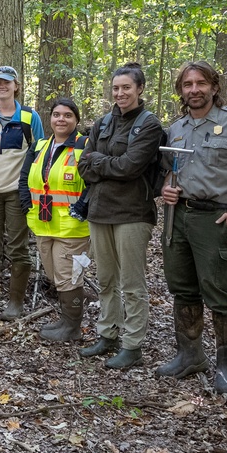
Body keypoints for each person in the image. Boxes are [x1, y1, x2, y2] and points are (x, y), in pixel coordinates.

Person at [157, 61, 227, 395]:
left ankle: (226, 367)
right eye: (187, 84)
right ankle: (190, 355)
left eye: (200, 83)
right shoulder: (175, 129)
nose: (194, 89)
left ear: (214, 86)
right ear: (181, 90)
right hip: (179, 218)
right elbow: (170, 171)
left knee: (218, 293)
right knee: (183, 288)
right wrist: (166, 187)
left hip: (216, 219)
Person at [77, 63, 163, 369]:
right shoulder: (101, 123)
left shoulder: (149, 125)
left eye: (126, 87)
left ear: (140, 89)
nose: (120, 93)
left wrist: (100, 162)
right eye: (116, 88)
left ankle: (132, 344)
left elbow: (131, 167)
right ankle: (107, 334)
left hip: (132, 213)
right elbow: (83, 166)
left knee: (131, 282)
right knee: (106, 279)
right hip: (99, 211)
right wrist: (105, 164)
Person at [0, 66, 44, 319]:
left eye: (6, 82)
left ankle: (15, 304)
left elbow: (39, 152)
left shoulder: (29, 117)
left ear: (16, 85)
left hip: (17, 192)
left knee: (18, 248)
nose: (1, 86)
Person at [19, 98, 90, 341]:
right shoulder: (39, 145)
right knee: (54, 274)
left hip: (72, 227)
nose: (61, 119)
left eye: (68, 115)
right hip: (42, 223)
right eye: (57, 114)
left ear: (76, 120)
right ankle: (65, 319)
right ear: (50, 119)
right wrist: (26, 204)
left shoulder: (84, 146)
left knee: (67, 275)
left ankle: (72, 327)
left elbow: (94, 183)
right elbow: (24, 177)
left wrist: (83, 206)